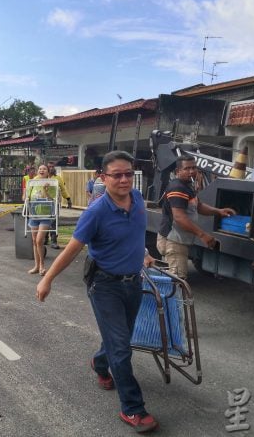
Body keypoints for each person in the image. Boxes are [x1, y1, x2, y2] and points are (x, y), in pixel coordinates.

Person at [36, 151, 159, 434]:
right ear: (103, 178)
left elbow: (134, 232)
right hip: (105, 285)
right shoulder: (96, 212)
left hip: (133, 283)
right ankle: (133, 408)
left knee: (122, 340)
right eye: (117, 175)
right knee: (121, 346)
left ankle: (99, 362)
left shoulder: (137, 199)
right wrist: (48, 279)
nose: (125, 179)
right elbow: (72, 249)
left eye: (129, 173)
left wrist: (143, 252)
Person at [157, 155, 236, 279]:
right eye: (187, 168)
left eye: (194, 168)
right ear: (178, 171)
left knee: (176, 280)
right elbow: (179, 218)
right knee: (178, 281)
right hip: (173, 240)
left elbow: (198, 206)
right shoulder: (177, 188)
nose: (192, 171)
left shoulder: (187, 185)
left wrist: (219, 211)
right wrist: (202, 235)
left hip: (179, 239)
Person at [25, 164, 57, 276]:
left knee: (39, 240)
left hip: (46, 215)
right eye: (40, 169)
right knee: (34, 241)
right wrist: (26, 197)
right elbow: (27, 195)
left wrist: (45, 189)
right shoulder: (33, 181)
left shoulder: (52, 183)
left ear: (48, 172)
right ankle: (36, 266)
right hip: (33, 214)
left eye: (44, 169)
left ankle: (42, 266)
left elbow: (52, 199)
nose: (41, 170)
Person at [46, 162, 72, 249]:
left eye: (53, 166)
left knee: (54, 221)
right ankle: (44, 239)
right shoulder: (42, 177)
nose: (52, 168)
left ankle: (53, 241)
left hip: (54, 202)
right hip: (43, 203)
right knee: (44, 220)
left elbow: (63, 189)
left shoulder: (58, 178)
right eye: (49, 167)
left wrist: (68, 199)